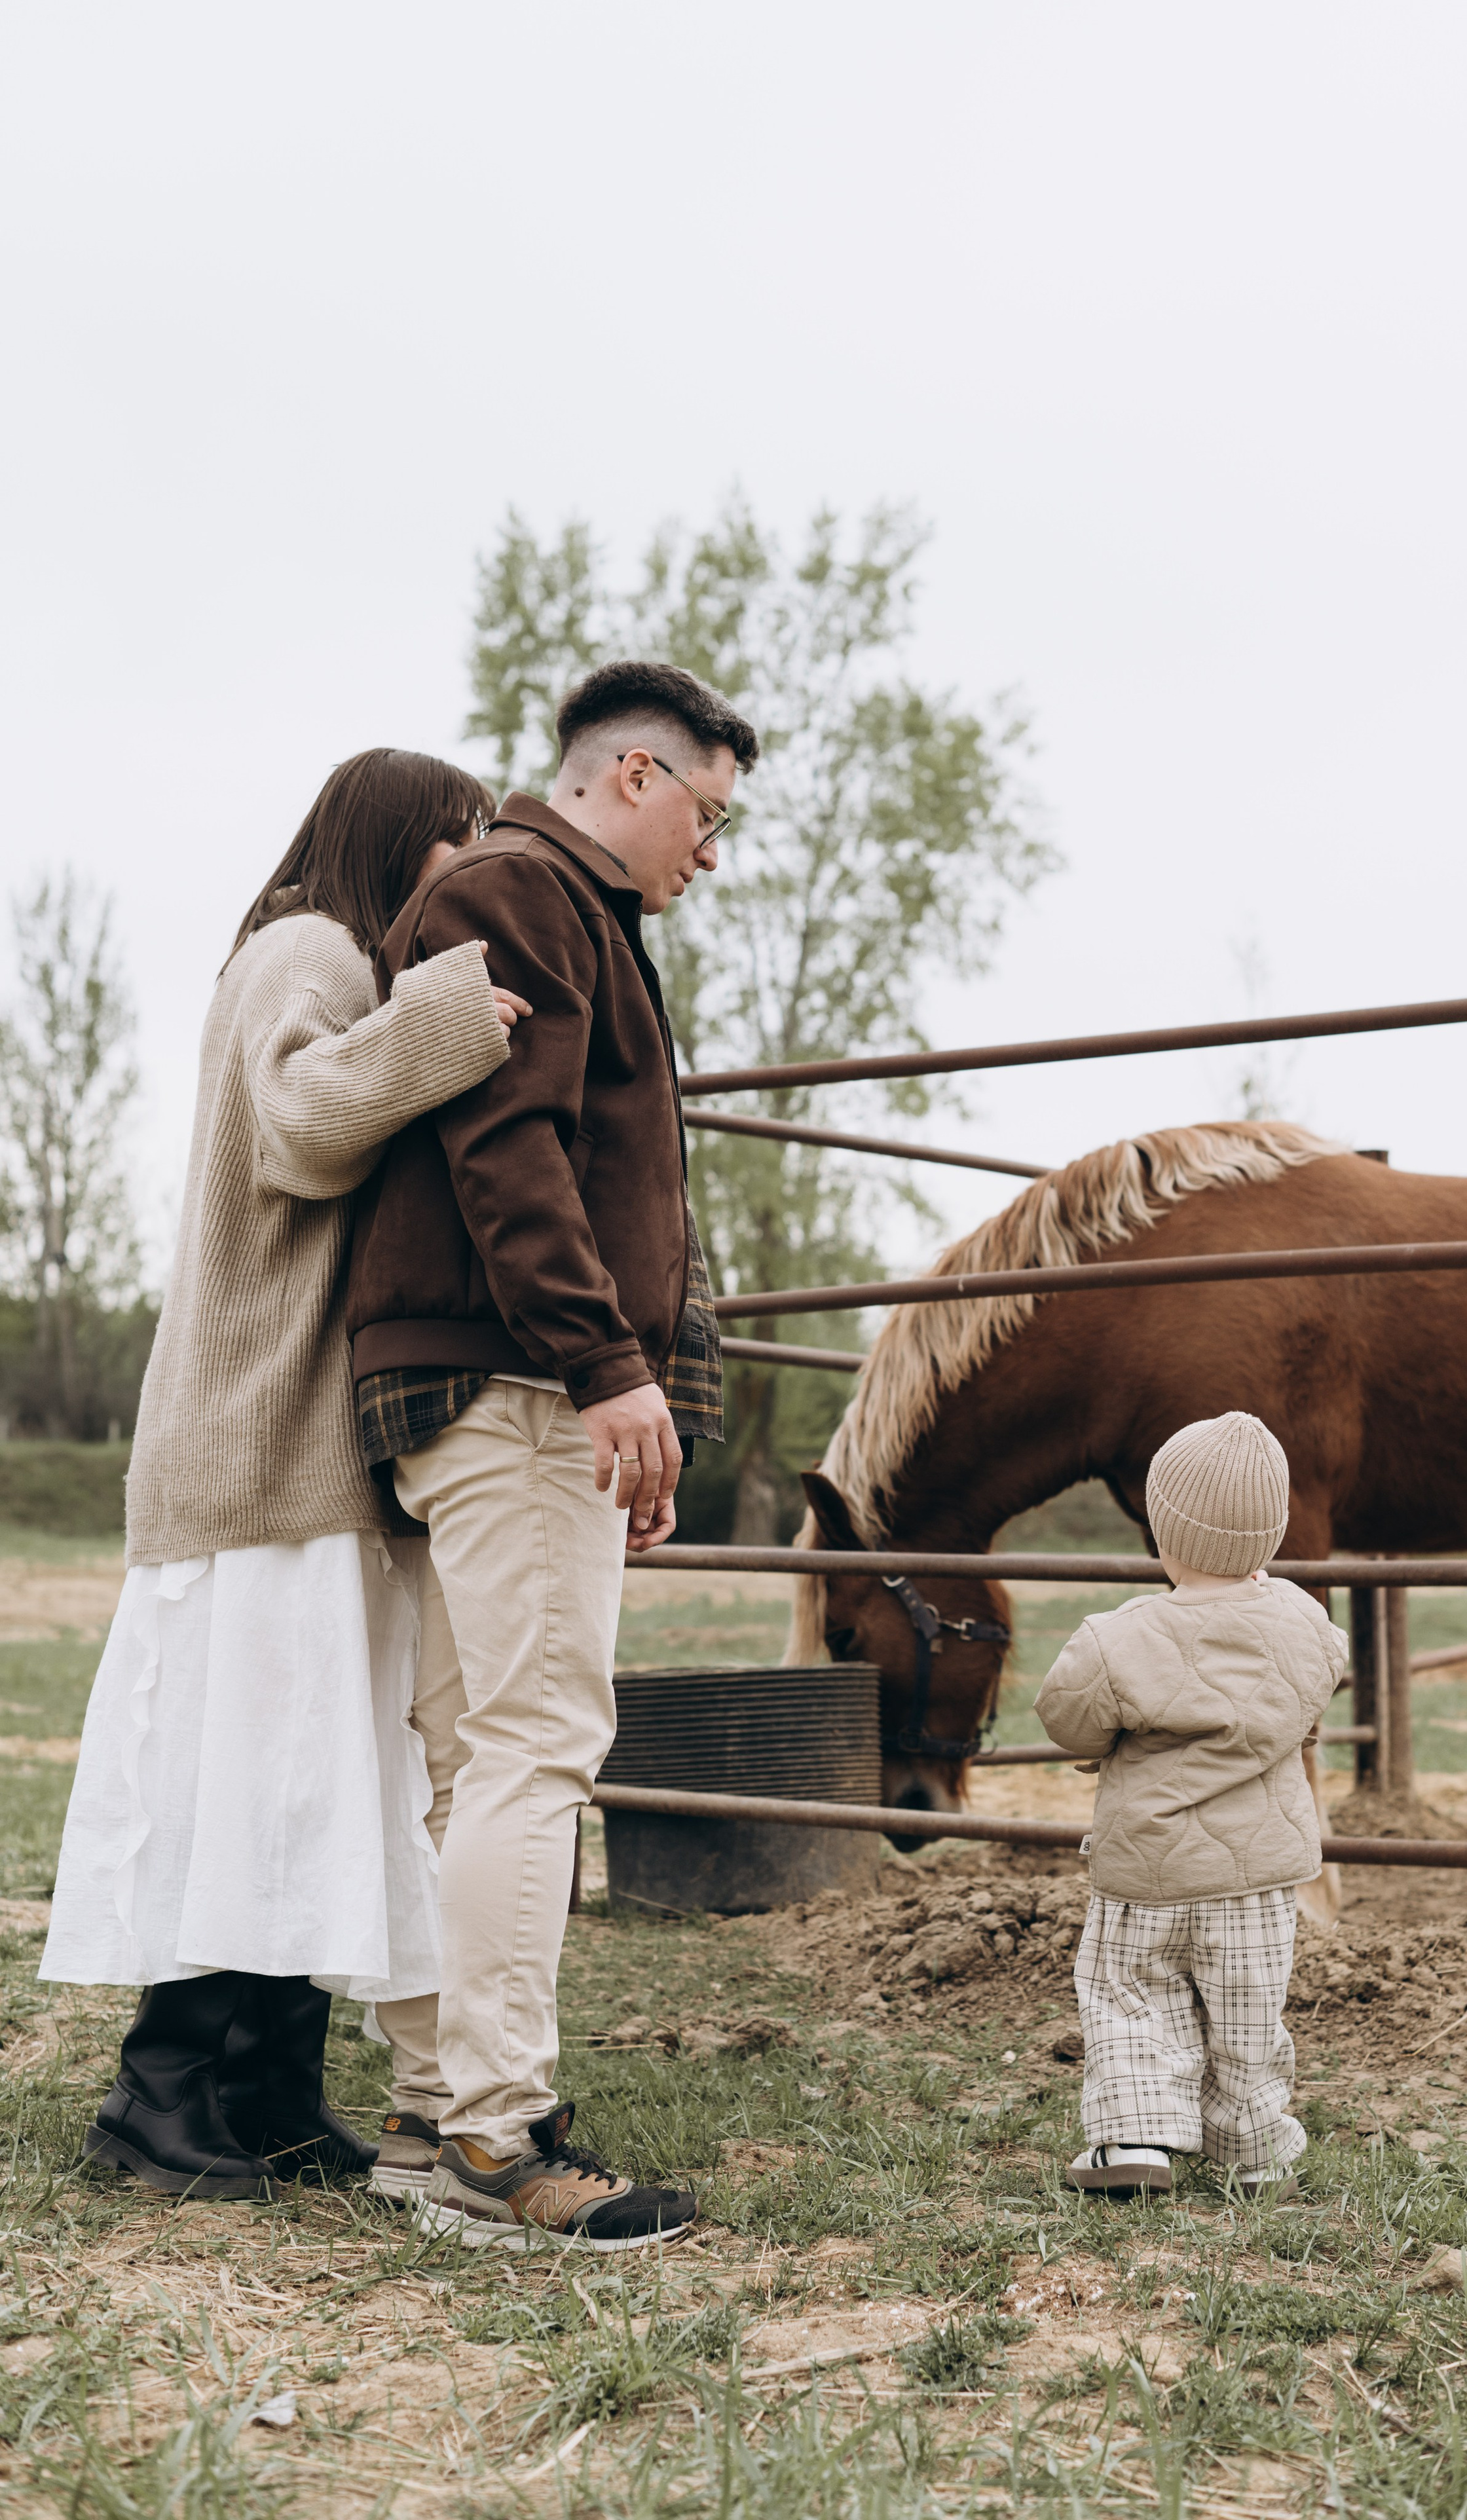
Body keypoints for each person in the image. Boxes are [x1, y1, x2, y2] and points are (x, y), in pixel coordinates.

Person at [41, 749, 529, 2200]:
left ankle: (263, 2087)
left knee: (309, 1772)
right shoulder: (306, 949)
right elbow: (309, 1126)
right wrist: (451, 1015)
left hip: (287, 1446)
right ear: (403, 841)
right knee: (252, 1773)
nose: (463, 891)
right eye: (456, 853)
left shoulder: (310, 950)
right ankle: (156, 2103)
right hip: (260, 1443)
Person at [344, 659, 752, 2250]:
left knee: (470, 1750)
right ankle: (494, 2139)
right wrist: (604, 1365)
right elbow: (509, 1146)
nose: (705, 854)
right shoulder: (528, 893)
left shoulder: (534, 902)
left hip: (476, 1374)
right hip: (512, 1375)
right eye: (705, 818)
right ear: (633, 776)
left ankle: (428, 2108)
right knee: (533, 1740)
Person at [1035, 1411, 1347, 2200]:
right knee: (1248, 2014)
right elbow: (1324, 1679)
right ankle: (1257, 2148)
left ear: (1159, 1527)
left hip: (1148, 1869)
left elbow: (1066, 1715)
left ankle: (1137, 2138)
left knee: (1131, 1993)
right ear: (1272, 1536)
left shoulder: (1119, 1636)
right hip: (1261, 1878)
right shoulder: (1304, 1621)